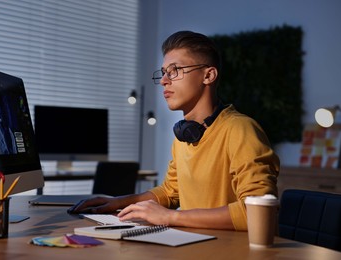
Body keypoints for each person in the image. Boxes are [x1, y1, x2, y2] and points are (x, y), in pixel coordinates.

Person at [68, 31, 279, 231]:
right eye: (163, 72)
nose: (163, 81)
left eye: (174, 71)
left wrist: (171, 217)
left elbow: (257, 212)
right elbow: (170, 192)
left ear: (208, 75)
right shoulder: (184, 136)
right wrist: (118, 202)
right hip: (193, 245)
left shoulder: (240, 130)